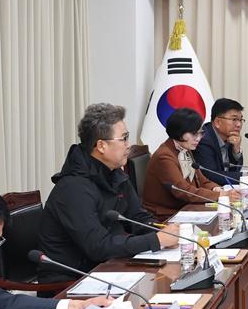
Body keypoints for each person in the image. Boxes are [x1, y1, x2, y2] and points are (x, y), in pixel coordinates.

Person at [37, 103, 178, 283]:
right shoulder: (74, 188)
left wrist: (163, 230)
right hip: (72, 281)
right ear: (101, 146)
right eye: (124, 138)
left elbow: (137, 217)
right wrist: (155, 240)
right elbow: (97, 246)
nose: (129, 145)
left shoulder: (114, 173)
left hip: (109, 268)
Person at [142, 108, 242, 217]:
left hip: (186, 209)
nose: (198, 138)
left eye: (200, 133)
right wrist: (220, 195)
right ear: (179, 133)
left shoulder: (185, 149)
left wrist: (218, 189)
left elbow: (202, 180)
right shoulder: (164, 156)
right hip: (165, 215)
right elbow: (185, 191)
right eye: (194, 134)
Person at [193, 97, 246, 184]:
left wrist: (236, 150)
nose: (239, 124)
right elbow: (211, 175)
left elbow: (234, 170)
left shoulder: (229, 137)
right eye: (234, 119)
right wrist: (245, 177)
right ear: (217, 122)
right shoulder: (204, 139)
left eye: (240, 120)